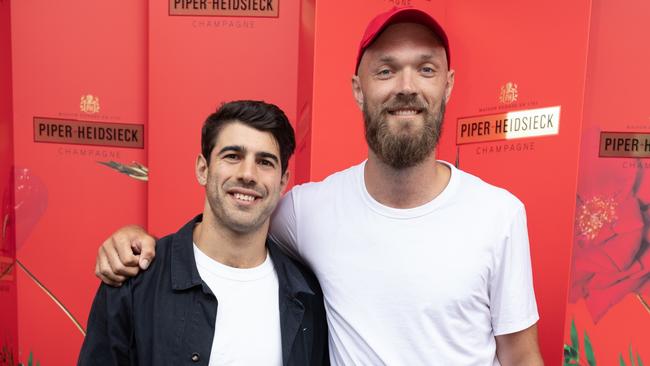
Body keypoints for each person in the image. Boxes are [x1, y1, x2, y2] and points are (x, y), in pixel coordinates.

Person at [95, 7, 543, 365]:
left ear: (447, 86)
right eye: (386, 71)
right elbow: (228, 223)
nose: (407, 87)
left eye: (425, 69)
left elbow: (522, 357)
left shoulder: (498, 214)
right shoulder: (307, 211)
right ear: (357, 89)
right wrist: (137, 243)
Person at [79, 101, 329, 366]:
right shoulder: (135, 280)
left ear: (282, 182)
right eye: (232, 156)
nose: (247, 174)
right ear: (203, 169)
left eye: (265, 162)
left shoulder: (308, 296)